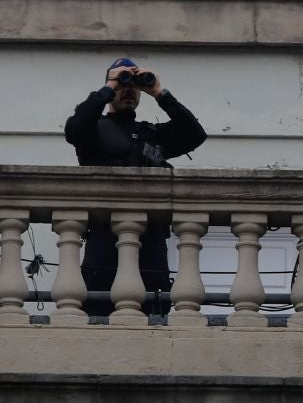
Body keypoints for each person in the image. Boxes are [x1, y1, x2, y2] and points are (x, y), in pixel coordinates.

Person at [63, 57, 208, 315]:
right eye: (122, 86)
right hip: (104, 237)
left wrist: (158, 92)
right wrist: (109, 87)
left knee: (154, 310)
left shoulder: (151, 133)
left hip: (150, 239)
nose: (127, 92)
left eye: (133, 88)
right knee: (98, 310)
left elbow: (195, 134)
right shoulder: (94, 130)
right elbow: (74, 128)